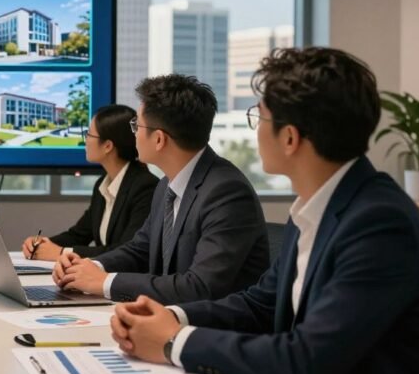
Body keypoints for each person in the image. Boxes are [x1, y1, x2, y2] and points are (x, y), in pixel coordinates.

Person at [110, 48, 419, 374]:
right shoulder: (316, 205)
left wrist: (174, 342)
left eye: (259, 117)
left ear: (289, 138)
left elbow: (306, 359)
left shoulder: (379, 222)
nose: (256, 130)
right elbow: (260, 303)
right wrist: (173, 317)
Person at [53, 75, 270, 304]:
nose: (134, 134)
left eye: (136, 126)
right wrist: (90, 266)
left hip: (213, 324)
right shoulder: (167, 184)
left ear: (159, 139)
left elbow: (199, 287)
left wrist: (104, 282)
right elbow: (140, 249)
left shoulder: (226, 192)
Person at [21, 104, 157, 260]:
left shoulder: (145, 187)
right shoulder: (103, 184)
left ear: (107, 146)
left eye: (89, 134)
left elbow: (127, 250)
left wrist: (61, 252)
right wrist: (42, 244)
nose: (85, 140)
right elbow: (78, 235)